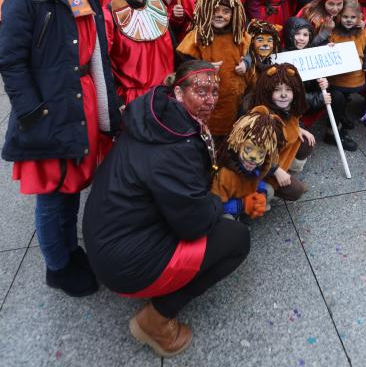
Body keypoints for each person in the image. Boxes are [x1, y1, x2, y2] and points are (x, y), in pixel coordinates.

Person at [82, 60, 250, 358]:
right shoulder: (176, 145)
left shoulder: (157, 116)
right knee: (236, 238)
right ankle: (156, 321)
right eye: (201, 91)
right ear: (179, 91)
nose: (211, 100)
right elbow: (195, 224)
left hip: (111, 235)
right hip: (124, 262)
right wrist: (219, 201)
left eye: (215, 90)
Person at [0, 0, 121, 297]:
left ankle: (70, 249)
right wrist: (32, 113)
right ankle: (58, 265)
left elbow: (96, 52)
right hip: (50, 107)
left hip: (80, 101)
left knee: (72, 187)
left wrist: (106, 108)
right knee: (53, 193)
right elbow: (11, 60)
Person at [177, 0, 250, 139]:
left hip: (232, 98)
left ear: (234, 13)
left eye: (225, 11)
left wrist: (246, 64)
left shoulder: (239, 35)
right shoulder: (197, 36)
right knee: (204, 129)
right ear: (205, 11)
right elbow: (185, 64)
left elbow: (251, 55)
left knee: (229, 132)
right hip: (205, 97)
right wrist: (203, 67)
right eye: (215, 11)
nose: (219, 15)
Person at [104, 0, 175, 106]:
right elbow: (104, 64)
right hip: (131, 102)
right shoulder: (109, 15)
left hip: (164, 96)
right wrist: (116, 102)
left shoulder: (160, 10)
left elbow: (174, 53)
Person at [283, 16, 358, 152]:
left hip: (311, 100)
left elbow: (314, 83)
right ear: (289, 34)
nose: (301, 38)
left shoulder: (311, 51)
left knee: (337, 96)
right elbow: (287, 95)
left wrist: (324, 82)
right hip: (293, 107)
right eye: (297, 34)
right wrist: (318, 98)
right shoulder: (283, 57)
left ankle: (332, 133)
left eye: (306, 35)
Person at [250, 63, 315, 201]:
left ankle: (287, 170)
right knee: (296, 191)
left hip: (278, 155)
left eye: (288, 89)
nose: (284, 94)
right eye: (277, 90)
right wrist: (275, 170)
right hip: (258, 165)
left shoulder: (287, 107)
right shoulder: (261, 120)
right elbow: (252, 154)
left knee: (307, 142)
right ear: (267, 91)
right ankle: (264, 188)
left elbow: (290, 121)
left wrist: (299, 129)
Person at [211, 109, 284, 219]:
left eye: (261, 152)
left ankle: (247, 214)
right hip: (226, 205)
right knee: (227, 218)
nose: (253, 157)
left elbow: (258, 180)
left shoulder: (261, 164)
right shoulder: (224, 174)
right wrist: (243, 204)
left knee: (269, 191)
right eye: (248, 148)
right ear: (238, 144)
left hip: (245, 194)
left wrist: (261, 193)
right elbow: (216, 205)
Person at [328, 0, 366, 125]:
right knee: (339, 98)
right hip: (338, 78)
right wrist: (328, 46)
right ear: (339, 16)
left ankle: (344, 114)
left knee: (347, 97)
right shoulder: (334, 33)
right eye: (345, 16)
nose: (349, 20)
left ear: (359, 18)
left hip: (356, 76)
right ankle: (339, 117)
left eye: (353, 17)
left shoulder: (363, 34)